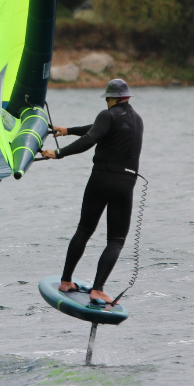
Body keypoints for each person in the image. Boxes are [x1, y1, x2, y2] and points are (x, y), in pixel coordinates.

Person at [41, 78, 144, 306]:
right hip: (126, 183)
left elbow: (91, 138)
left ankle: (66, 281)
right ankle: (98, 290)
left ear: (112, 98)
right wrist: (67, 130)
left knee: (85, 229)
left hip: (101, 179)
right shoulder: (138, 120)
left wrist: (58, 154)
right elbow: (97, 130)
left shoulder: (107, 115)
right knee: (116, 240)